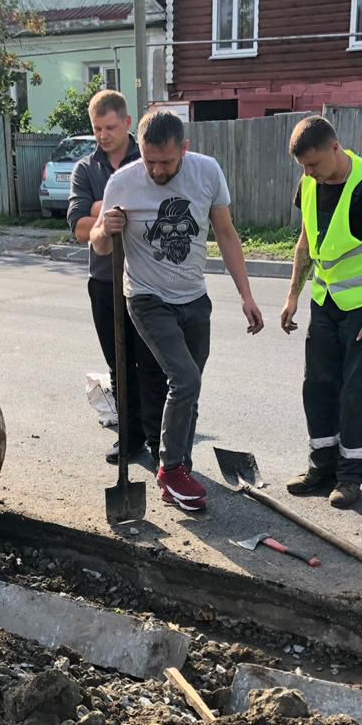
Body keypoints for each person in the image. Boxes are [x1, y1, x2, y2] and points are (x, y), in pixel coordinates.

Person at [90, 109, 262, 513]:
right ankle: (170, 468)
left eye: (165, 162)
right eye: (149, 160)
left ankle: (180, 467)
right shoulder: (123, 181)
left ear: (184, 149)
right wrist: (105, 229)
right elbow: (97, 244)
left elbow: (226, 234)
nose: (155, 169)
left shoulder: (207, 172)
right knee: (183, 378)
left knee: (192, 383)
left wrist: (246, 295)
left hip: (193, 297)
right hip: (147, 298)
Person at [280, 115, 362, 509]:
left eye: (314, 164)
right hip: (325, 303)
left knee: (357, 394)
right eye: (303, 167)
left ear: (336, 148)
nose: (309, 174)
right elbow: (305, 243)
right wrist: (292, 297)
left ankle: (350, 477)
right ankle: (322, 468)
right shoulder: (309, 184)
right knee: (317, 387)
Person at [67, 88, 167, 466]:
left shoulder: (147, 162)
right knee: (118, 363)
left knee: (151, 363)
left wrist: (104, 209)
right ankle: (130, 437)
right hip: (104, 281)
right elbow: (79, 228)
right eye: (97, 128)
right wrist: (104, 213)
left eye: (110, 126)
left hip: (145, 281)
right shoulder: (86, 169)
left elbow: (154, 215)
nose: (103, 135)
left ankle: (159, 441)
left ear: (127, 123)